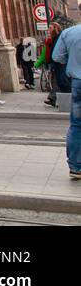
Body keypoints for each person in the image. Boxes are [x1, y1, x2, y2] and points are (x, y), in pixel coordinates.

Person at [47, 22, 81, 180]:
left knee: (77, 125)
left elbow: (57, 57)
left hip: (78, 82)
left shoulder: (69, 33)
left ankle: (75, 166)